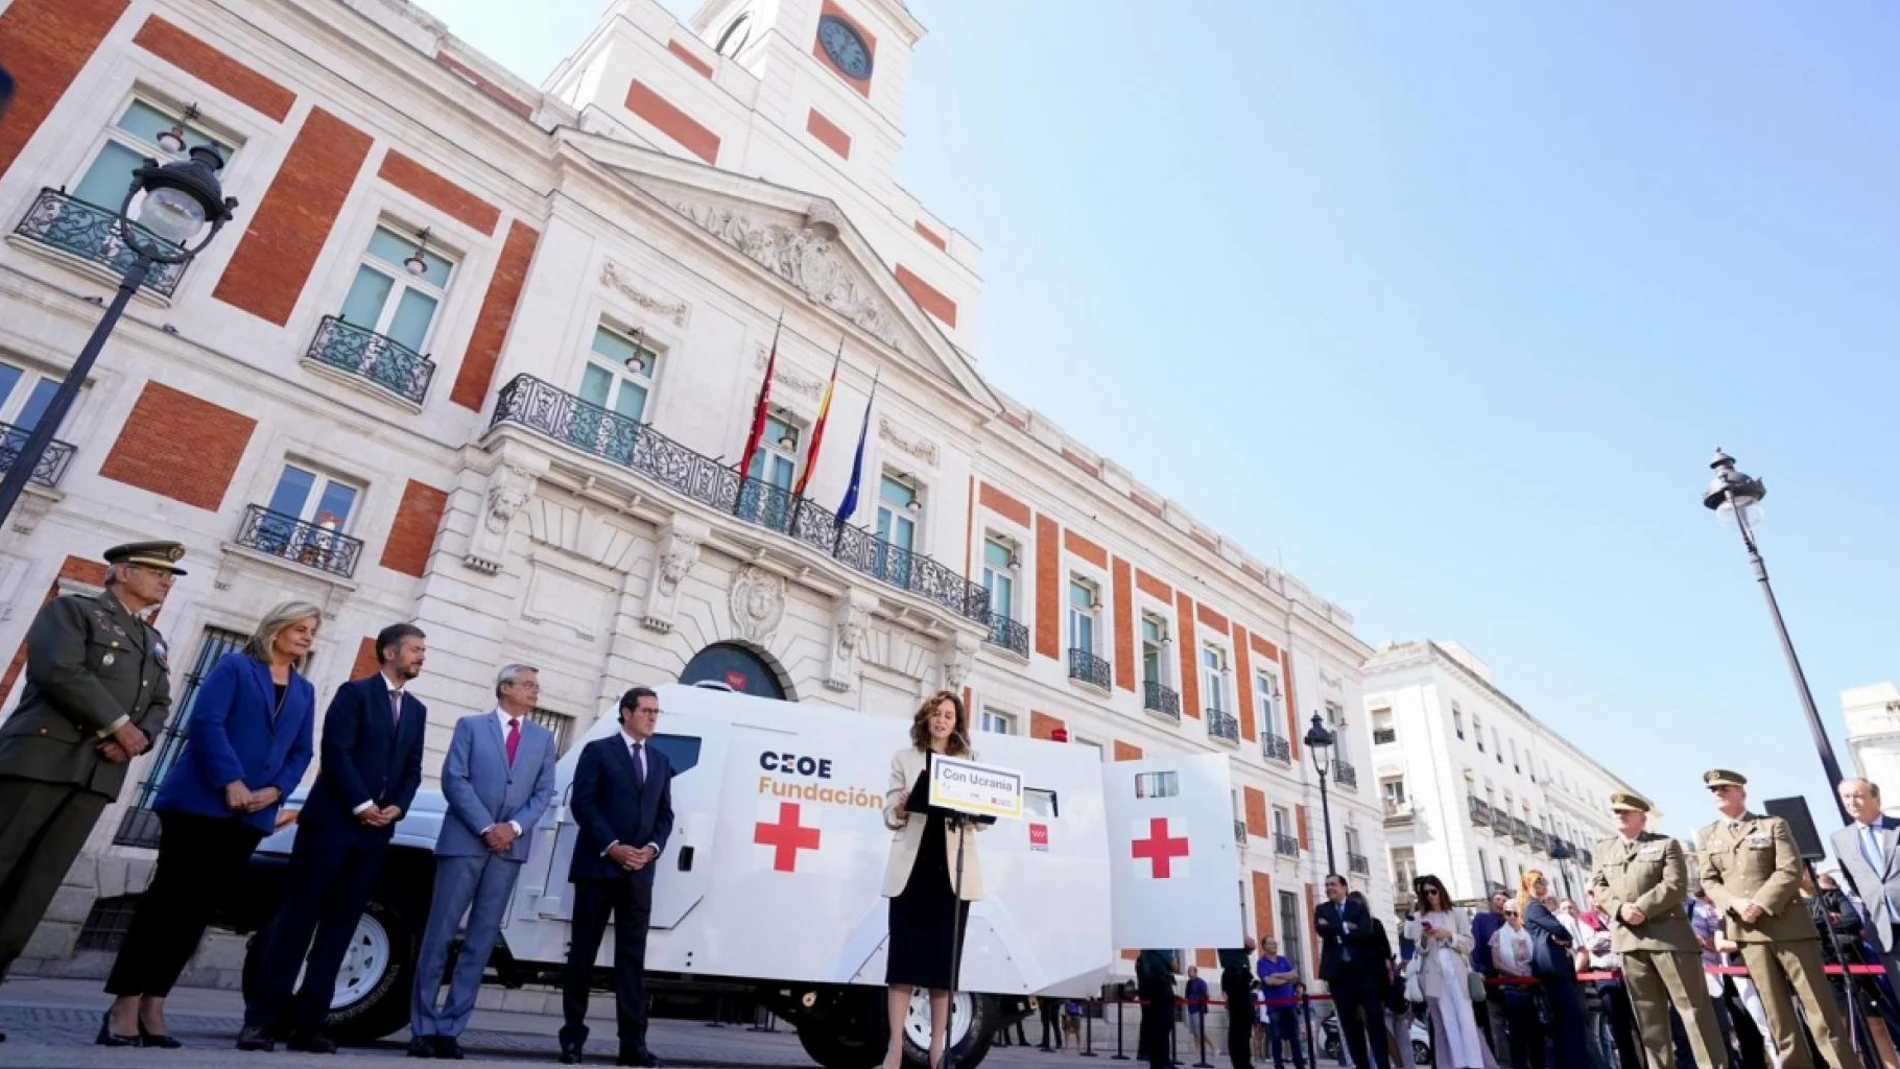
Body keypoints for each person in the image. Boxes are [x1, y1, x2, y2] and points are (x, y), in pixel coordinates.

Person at [102, 600, 319, 1048]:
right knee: (166, 903)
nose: (306, 637)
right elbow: (207, 723)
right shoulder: (235, 667)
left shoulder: (305, 690)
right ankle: (123, 1003)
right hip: (200, 806)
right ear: (275, 629)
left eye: (312, 631)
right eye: (298, 628)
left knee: (196, 912)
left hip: (252, 815)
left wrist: (276, 791)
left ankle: (155, 1003)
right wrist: (231, 780)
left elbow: (302, 751)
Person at [0, 540, 184, 1047]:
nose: (167, 582)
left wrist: (138, 738)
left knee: (31, 893)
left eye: (170, 576)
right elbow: (59, 671)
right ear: (123, 573)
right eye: (157, 572)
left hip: (95, 777)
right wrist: (120, 726)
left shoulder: (153, 640)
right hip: (41, 760)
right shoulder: (76, 611)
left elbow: (162, 701)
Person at [239, 622, 428, 1053]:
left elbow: (412, 769)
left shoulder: (417, 711)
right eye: (415, 649)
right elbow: (337, 752)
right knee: (298, 920)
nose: (421, 656)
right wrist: (363, 805)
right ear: (389, 653)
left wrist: (397, 806)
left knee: (343, 925)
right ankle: (262, 1021)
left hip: (377, 836)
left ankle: (310, 1023)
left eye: (423, 650)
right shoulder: (353, 694)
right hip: (332, 826)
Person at [408, 664, 559, 1059]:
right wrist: (486, 828)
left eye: (536, 686)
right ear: (504, 688)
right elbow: (454, 779)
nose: (535, 691)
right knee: (439, 935)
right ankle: (422, 1028)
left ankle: (450, 1030)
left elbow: (544, 794)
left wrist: (512, 828)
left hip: (508, 851)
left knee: (480, 941)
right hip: (465, 843)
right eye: (527, 685)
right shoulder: (470, 727)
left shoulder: (544, 739)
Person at [1696, 768, 1856, 1069]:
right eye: (1714, 790)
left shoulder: (1772, 825)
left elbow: (1790, 869)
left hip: (1788, 926)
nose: (1718, 793)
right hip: (1748, 932)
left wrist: (1759, 902)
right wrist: (1736, 904)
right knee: (1777, 1016)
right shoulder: (1708, 835)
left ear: (1742, 793)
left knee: (1820, 1011)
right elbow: (1709, 881)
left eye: (1725, 788)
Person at [560, 686, 674, 1066]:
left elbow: (665, 816)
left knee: (631, 959)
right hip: (599, 868)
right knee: (583, 955)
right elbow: (583, 804)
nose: (652, 717)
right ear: (625, 713)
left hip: (639, 876)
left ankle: (633, 1045)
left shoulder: (659, 761)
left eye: (657, 712)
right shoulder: (599, 752)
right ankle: (573, 1038)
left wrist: (651, 849)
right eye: (646, 711)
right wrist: (613, 846)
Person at [880, 690, 988, 1069]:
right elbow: (890, 814)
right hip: (912, 873)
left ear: (956, 723)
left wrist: (976, 807)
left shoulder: (969, 761)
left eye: (949, 715)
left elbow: (980, 818)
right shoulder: (904, 759)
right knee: (903, 967)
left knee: (943, 971)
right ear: (926, 719)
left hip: (952, 877)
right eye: (936, 714)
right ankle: (894, 1051)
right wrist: (901, 804)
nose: (942, 720)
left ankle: (938, 1052)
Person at [1587, 791, 1728, 1069]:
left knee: (1694, 1011)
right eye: (1616, 811)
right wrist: (1620, 909)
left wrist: (1641, 908)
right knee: (1648, 1019)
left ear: (1642, 816)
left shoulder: (1665, 845)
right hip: (1630, 941)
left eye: (1626, 810)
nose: (1620, 814)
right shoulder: (1605, 850)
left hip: (1668, 938)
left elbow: (1675, 885)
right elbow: (1599, 887)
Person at [1401, 874, 1494, 1069]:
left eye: (1433, 891)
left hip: (1456, 968)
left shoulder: (1457, 913)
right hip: (1433, 971)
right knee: (1447, 1019)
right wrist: (1427, 938)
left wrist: (1449, 935)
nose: (1430, 896)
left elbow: (1469, 943)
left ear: (1440, 891)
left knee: (1466, 1016)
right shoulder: (1420, 917)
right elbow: (1417, 946)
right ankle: (1457, 1064)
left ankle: (1475, 1063)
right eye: (1425, 894)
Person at [1316, 873, 1391, 1069]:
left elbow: (1366, 932)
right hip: (1339, 977)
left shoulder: (1358, 908)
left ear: (1344, 887)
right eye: (1326, 885)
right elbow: (1322, 930)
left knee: (1375, 1023)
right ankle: (1361, 1065)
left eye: (1333, 884)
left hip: (1364, 974)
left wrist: (1338, 930)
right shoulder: (1322, 909)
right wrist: (1346, 927)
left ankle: (1383, 1065)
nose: (1329, 888)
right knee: (1350, 1026)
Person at [1520, 872, 1590, 1069]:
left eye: (1544, 880)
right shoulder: (1534, 907)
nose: (1544, 884)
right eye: (1539, 881)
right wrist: (1564, 938)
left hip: (1554, 968)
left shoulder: (1535, 907)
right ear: (1530, 886)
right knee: (1569, 1019)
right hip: (1552, 969)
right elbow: (1559, 929)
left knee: (1565, 1021)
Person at [1489, 899, 1542, 1069]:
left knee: (1536, 1035)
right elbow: (1497, 963)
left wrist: (1528, 979)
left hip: (1531, 987)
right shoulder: (1498, 935)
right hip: (1512, 988)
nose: (1511, 917)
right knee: (1517, 1034)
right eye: (1507, 913)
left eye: (1514, 913)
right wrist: (1518, 977)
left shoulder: (1528, 934)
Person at [1257, 937, 1303, 1069]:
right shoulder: (1262, 963)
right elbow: (1269, 982)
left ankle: (1299, 1063)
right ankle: (1278, 1064)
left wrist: (1277, 975)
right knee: (1276, 1037)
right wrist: (1287, 978)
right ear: (1264, 946)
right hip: (1274, 1005)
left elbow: (1295, 975)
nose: (1275, 945)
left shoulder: (1283, 960)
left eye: (1275, 943)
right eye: (1271, 943)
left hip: (1290, 1003)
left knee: (1295, 1036)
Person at [1136, 949, 1177, 1069]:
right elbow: (1174, 966)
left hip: (1148, 991)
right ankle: (1163, 1061)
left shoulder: (1144, 955)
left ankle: (1153, 1059)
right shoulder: (1163, 948)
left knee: (1152, 1024)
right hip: (1162, 987)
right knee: (1164, 1025)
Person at [1219, 939, 1257, 1069]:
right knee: (1240, 1024)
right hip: (1236, 975)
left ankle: (1243, 1061)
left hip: (1239, 975)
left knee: (1242, 1024)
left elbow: (1251, 946)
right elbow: (1251, 944)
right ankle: (1241, 1062)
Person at [1186, 964, 1210, 1056]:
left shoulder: (1201, 982)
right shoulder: (1188, 983)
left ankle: (1214, 1047)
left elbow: (1206, 996)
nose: (1189, 972)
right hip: (1191, 1009)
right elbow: (1187, 995)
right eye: (1188, 971)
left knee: (1201, 1031)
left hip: (1199, 1010)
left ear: (1195, 972)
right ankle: (1197, 1051)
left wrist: (1199, 1000)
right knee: (1195, 1032)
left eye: (1191, 971)